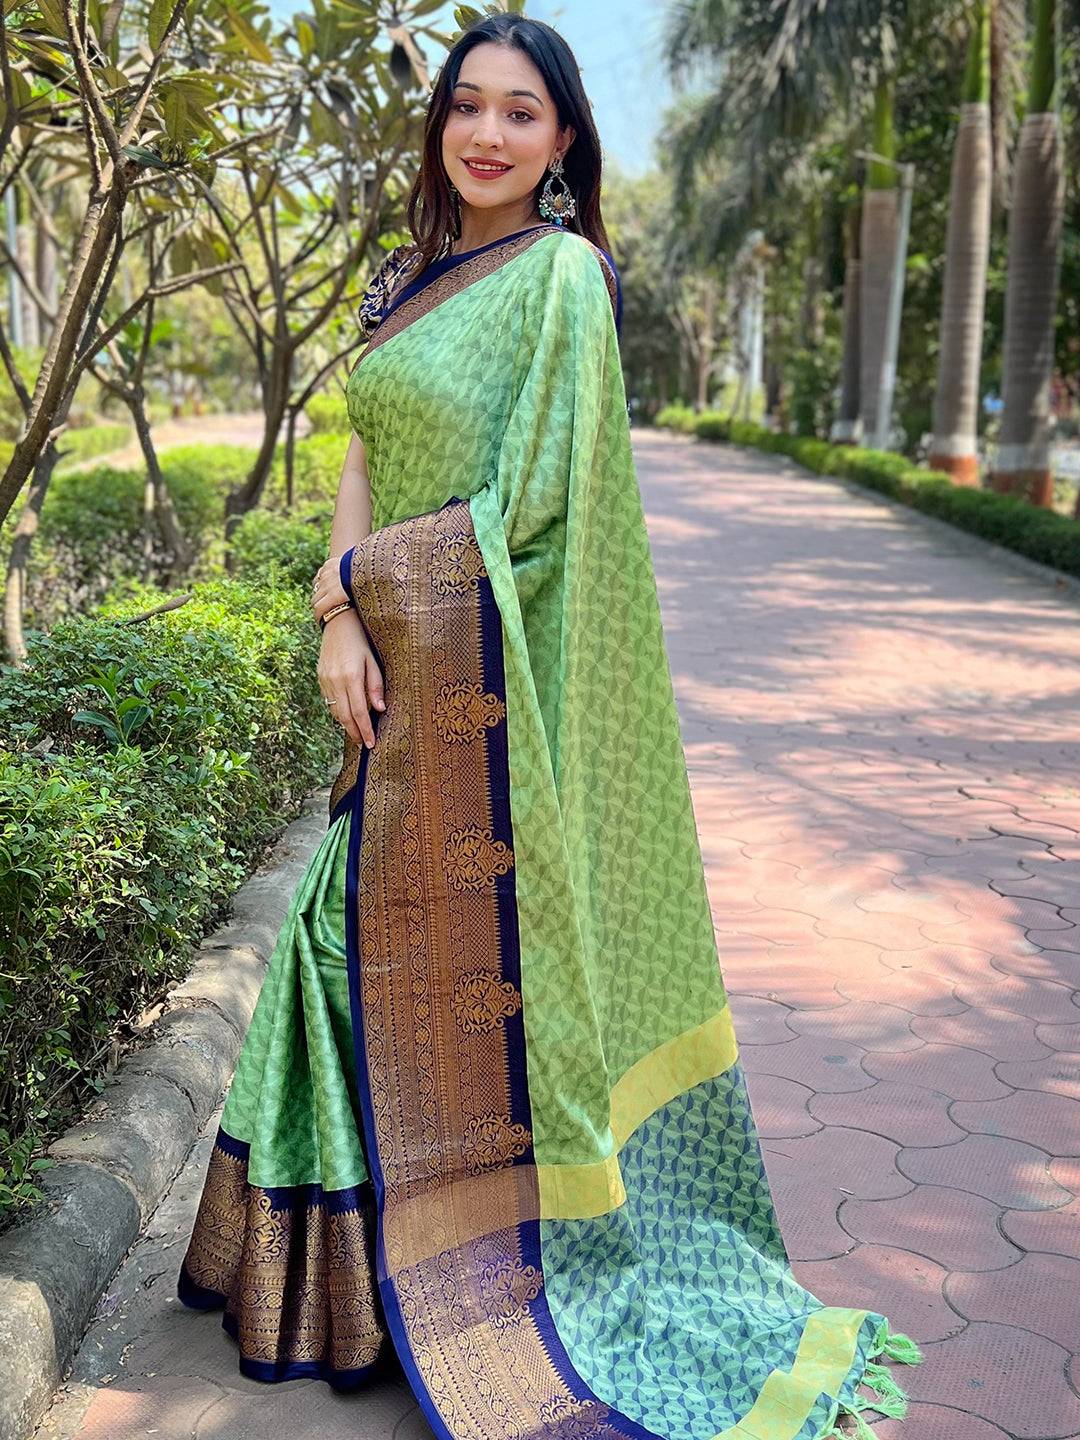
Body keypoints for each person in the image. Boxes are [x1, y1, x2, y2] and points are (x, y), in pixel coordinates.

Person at [177, 13, 922, 1436]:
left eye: (524, 114)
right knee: (351, 942)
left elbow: (534, 509)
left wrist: (359, 587)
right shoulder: (413, 278)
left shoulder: (566, 280)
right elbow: (361, 444)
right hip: (389, 655)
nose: (489, 135)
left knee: (371, 946)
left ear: (565, 141)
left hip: (475, 680)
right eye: (469, 107)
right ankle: (345, 1280)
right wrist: (336, 609)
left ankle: (469, 1270)